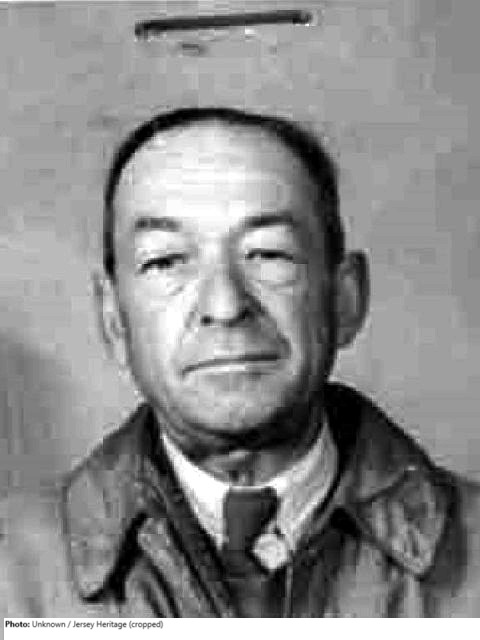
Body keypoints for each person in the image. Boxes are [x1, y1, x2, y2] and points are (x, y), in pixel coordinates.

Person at [1, 107, 479, 618]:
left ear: (344, 299)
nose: (225, 306)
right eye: (165, 261)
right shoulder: (13, 574)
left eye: (268, 254)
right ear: (114, 318)